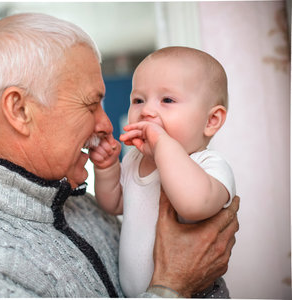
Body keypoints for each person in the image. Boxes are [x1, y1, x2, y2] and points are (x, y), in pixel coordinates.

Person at [0, 14, 239, 298]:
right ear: (20, 110)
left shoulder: (73, 202)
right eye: (91, 104)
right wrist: (173, 287)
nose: (107, 125)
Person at [90, 46, 236, 298]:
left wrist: (163, 145)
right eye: (138, 100)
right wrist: (107, 169)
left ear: (211, 121)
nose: (146, 110)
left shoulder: (209, 164)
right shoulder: (136, 159)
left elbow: (193, 204)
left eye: (167, 100)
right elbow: (113, 203)